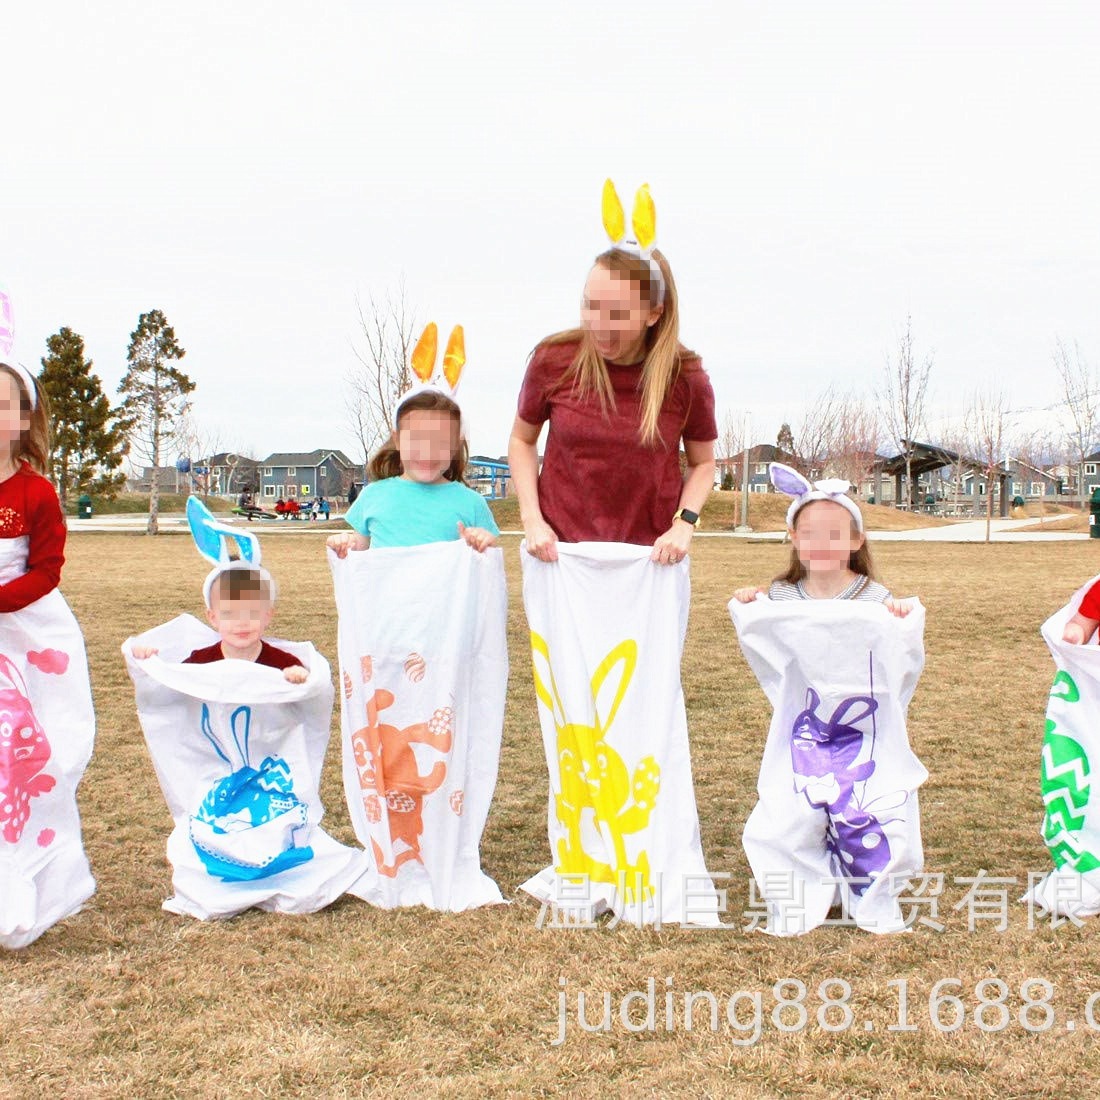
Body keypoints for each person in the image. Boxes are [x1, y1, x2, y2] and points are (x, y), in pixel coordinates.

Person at [508, 182, 716, 562]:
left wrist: (683, 524)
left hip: (649, 561)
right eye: (591, 306)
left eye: (617, 314)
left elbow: (703, 463)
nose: (599, 325)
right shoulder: (553, 359)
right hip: (560, 556)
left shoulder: (686, 378)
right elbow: (522, 440)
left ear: (654, 314)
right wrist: (532, 519)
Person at [0, 337, 96, 946]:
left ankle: (31, 862)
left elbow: (47, 568)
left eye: (4, 404)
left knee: (32, 746)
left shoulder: (35, 492)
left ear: (25, 417)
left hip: (26, 628)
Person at [328, 328, 498, 556]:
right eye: (417, 440)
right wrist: (344, 545)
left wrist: (483, 543)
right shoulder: (372, 496)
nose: (427, 452)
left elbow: (489, 568)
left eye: (440, 442)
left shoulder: (472, 504)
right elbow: (359, 558)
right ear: (397, 439)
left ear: (455, 446)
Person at [732, 463, 911, 616]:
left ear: (856, 540)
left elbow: (886, 649)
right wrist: (750, 603)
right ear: (795, 538)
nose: (821, 543)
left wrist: (898, 614)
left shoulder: (876, 599)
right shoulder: (781, 596)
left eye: (833, 534)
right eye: (810, 534)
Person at [131, 563, 308, 683]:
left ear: (267, 615)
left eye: (252, 612)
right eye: (230, 613)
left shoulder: (284, 663)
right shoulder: (199, 663)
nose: (241, 623)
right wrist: (145, 663)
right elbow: (167, 694)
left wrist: (298, 679)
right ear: (213, 617)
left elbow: (304, 709)